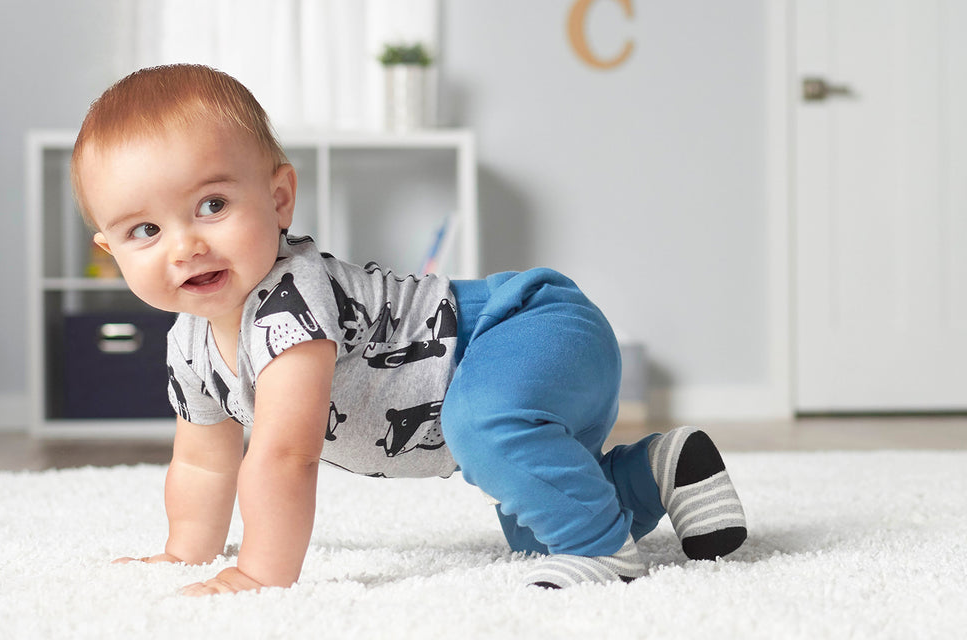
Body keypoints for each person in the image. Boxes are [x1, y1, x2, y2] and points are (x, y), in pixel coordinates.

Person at [70, 64, 747, 594]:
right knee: (537, 520)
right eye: (147, 230)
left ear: (279, 199)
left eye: (211, 204)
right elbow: (201, 459)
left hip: (526, 324)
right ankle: (657, 472)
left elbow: (283, 454)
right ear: (111, 249)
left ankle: (605, 551)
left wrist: (258, 574)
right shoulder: (189, 345)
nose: (184, 245)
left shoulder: (290, 299)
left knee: (488, 431)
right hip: (511, 366)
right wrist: (183, 552)